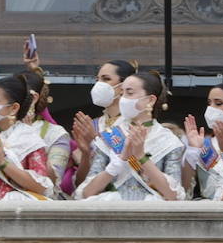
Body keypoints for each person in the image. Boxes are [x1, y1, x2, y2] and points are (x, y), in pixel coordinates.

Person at [75, 71, 183, 201]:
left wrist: (141, 157)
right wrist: (117, 164)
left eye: (130, 93)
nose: (123, 99)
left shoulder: (168, 141)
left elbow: (174, 196)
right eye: (122, 93)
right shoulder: (110, 135)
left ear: (150, 100)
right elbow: (87, 193)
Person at [70, 59, 135, 186]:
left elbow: (137, 166)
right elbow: (81, 183)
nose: (99, 85)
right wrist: (85, 153)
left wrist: (96, 139)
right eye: (97, 80)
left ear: (123, 87)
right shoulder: (92, 124)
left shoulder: (136, 125)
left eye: (106, 79)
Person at [180, 81, 223, 197]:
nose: (211, 108)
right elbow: (183, 189)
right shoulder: (205, 143)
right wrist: (192, 151)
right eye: (209, 103)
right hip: (208, 210)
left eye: (218, 103)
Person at [19, 68, 71, 195]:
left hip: (39, 202)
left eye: (129, 92)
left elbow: (52, 181)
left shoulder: (55, 134)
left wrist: (125, 159)